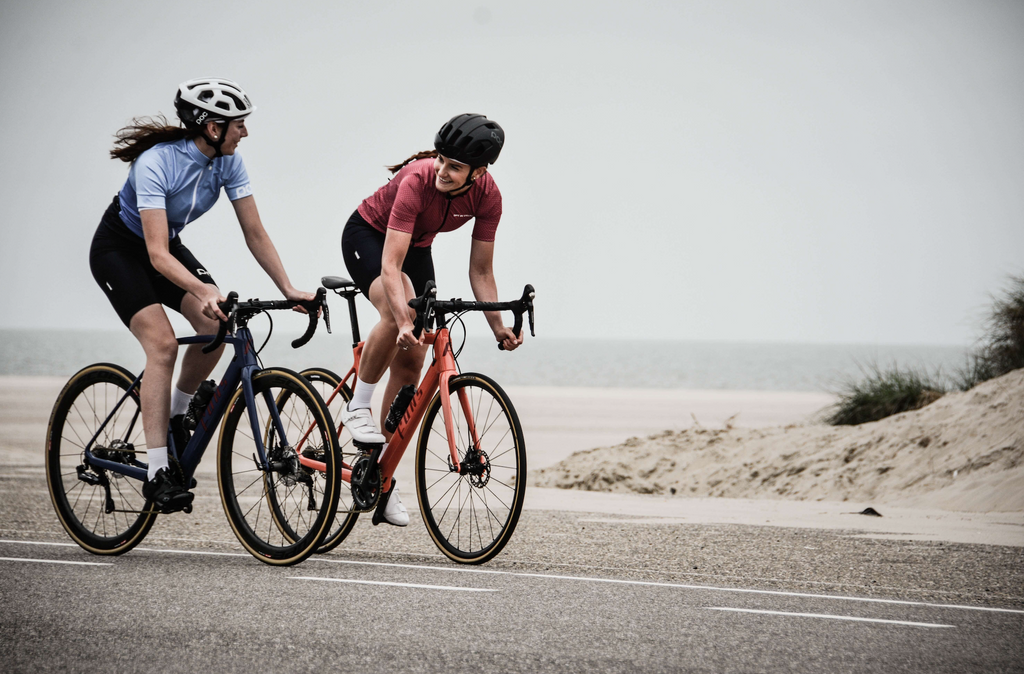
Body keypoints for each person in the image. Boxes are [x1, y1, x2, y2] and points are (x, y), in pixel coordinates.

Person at [90, 78, 315, 512]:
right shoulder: (156, 163)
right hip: (120, 251)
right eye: (239, 125)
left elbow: (254, 232)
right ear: (213, 128)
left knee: (216, 322)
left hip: (165, 247)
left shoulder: (229, 163)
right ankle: (157, 471)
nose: (245, 132)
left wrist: (287, 288)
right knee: (162, 345)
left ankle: (177, 414)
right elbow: (155, 255)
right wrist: (201, 286)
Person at [339, 113, 521, 526]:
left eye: (454, 166)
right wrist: (402, 317)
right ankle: (358, 405)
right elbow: (390, 265)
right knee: (396, 306)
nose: (442, 170)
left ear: (479, 172)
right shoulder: (416, 180)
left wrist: (498, 327)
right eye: (441, 159)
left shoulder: (489, 197)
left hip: (416, 246)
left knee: (414, 357)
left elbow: (481, 272)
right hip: (369, 236)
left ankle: (380, 476)